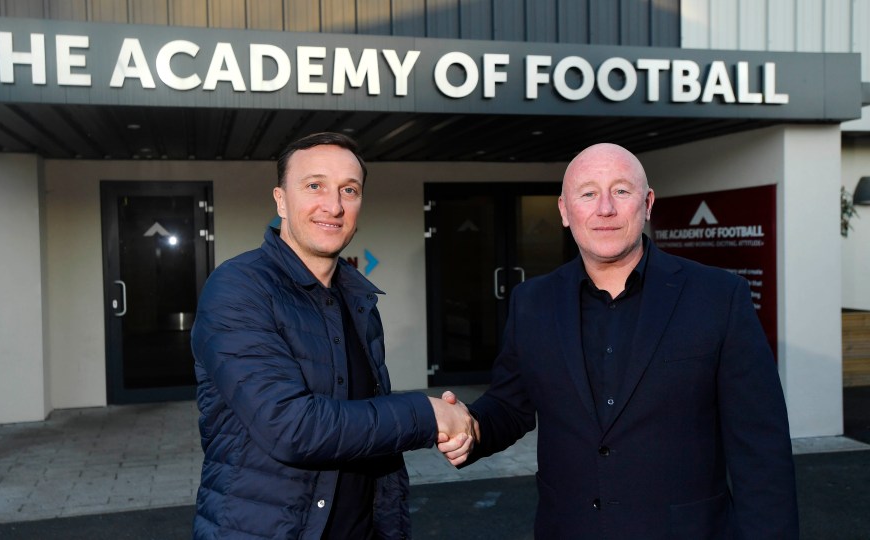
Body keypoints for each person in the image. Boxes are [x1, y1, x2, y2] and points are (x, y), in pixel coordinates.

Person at [438, 142, 799, 539]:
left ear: (647, 204)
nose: (605, 208)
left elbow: (760, 448)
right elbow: (511, 405)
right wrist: (470, 427)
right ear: (564, 210)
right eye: (588, 193)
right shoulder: (532, 302)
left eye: (621, 191)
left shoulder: (718, 296)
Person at [191, 132, 474, 539]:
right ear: (281, 200)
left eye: (349, 190)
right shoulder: (238, 288)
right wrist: (426, 415)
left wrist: (450, 425)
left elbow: (356, 412)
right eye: (314, 186)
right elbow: (291, 426)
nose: (334, 205)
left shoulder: (356, 298)